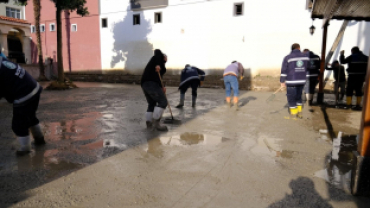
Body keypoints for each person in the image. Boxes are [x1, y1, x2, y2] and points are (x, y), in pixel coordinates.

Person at [0, 54, 45, 155]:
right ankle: (39, 140)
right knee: (30, 117)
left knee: (18, 124)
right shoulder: (3, 61)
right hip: (34, 89)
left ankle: (24, 150)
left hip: (24, 95)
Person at [141, 49, 168, 131]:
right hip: (151, 84)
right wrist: (158, 65)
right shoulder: (158, 58)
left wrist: (161, 87)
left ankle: (149, 123)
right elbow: (157, 51)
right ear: (164, 56)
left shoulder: (157, 62)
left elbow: (159, 78)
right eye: (166, 58)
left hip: (145, 84)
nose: (167, 59)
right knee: (163, 102)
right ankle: (157, 124)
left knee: (151, 103)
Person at [280, 43, 309, 119]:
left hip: (291, 81)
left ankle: (293, 115)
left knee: (291, 98)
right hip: (302, 81)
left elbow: (284, 70)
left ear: (292, 49)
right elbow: (307, 68)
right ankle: (300, 112)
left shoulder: (287, 57)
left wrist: (282, 81)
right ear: (299, 48)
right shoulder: (305, 57)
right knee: (298, 97)